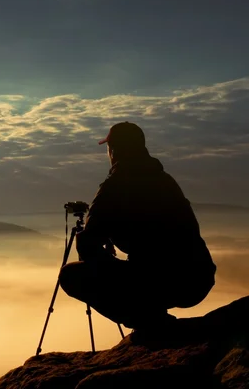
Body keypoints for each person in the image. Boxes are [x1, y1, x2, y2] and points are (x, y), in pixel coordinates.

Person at [58, 121, 216, 332]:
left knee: (70, 276)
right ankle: (153, 317)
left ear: (113, 150)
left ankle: (150, 323)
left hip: (158, 281)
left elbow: (87, 247)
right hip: (197, 279)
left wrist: (106, 258)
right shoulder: (165, 180)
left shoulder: (115, 186)